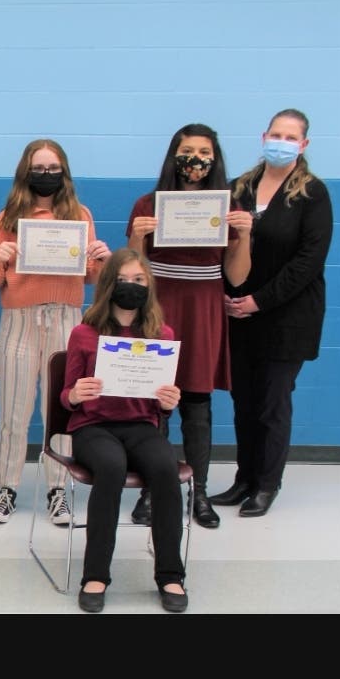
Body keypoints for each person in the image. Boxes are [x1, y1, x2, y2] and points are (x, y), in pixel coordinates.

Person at [0, 139, 111, 525]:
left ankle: (58, 491)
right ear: (26, 171)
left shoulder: (79, 214)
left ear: (64, 172)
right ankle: (7, 489)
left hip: (66, 319)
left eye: (54, 168)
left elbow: (92, 277)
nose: (47, 175)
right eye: (40, 168)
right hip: (19, 321)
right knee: (14, 412)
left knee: (61, 411)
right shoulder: (8, 218)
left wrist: (100, 259)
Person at [125, 124, 253, 529]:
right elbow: (132, 269)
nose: (195, 158)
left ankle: (198, 492)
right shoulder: (148, 203)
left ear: (214, 159)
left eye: (204, 151)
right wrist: (138, 240)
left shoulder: (226, 207)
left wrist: (244, 237)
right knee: (153, 405)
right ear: (173, 154)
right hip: (159, 308)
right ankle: (152, 488)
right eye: (187, 150)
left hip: (203, 308)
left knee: (197, 406)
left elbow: (235, 275)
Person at [211, 108, 333, 517]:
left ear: (304, 145)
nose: (280, 141)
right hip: (237, 314)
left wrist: (258, 301)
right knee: (244, 401)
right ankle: (244, 479)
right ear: (263, 136)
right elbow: (219, 245)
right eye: (275, 134)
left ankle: (267, 484)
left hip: (287, 316)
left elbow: (309, 261)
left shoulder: (313, 193)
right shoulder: (239, 187)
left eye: (290, 136)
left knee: (272, 403)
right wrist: (231, 298)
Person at [60, 247, 187, 613]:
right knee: (111, 467)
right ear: (107, 285)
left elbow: (162, 404)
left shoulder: (161, 333)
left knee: (165, 468)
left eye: (139, 280)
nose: (130, 287)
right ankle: (95, 575)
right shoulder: (84, 333)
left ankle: (170, 575)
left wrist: (168, 401)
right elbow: (66, 397)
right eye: (122, 280)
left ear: (150, 285)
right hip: (93, 427)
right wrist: (75, 394)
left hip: (141, 426)